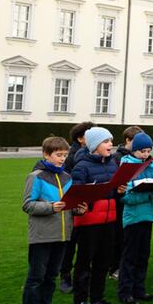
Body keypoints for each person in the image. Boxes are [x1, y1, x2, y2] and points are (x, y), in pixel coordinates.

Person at [21, 136, 87, 304]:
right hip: (42, 236)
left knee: (51, 277)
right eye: (58, 155)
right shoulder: (36, 177)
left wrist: (78, 209)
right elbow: (27, 205)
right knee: (36, 277)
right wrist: (50, 207)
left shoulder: (67, 177)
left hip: (63, 235)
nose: (62, 159)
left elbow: (69, 204)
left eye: (65, 155)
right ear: (46, 154)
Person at [70, 127, 126, 304]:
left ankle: (97, 298)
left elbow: (113, 192)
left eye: (111, 141)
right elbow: (77, 195)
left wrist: (119, 191)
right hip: (88, 223)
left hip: (109, 220)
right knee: (84, 263)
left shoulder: (113, 164)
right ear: (94, 145)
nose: (110, 144)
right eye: (106, 141)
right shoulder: (81, 166)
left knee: (103, 262)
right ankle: (79, 302)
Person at [117, 132, 153, 304]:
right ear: (134, 150)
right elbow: (125, 196)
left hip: (148, 216)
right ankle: (125, 291)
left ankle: (139, 289)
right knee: (130, 256)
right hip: (133, 217)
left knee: (143, 255)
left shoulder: (151, 164)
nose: (145, 154)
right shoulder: (126, 165)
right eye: (141, 151)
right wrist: (148, 195)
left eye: (148, 150)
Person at [59, 120, 95, 294]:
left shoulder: (88, 153)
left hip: (85, 203)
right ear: (81, 138)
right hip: (72, 204)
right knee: (70, 242)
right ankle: (65, 274)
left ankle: (81, 274)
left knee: (84, 241)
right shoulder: (73, 156)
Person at [110, 126, 143, 281]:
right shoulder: (117, 157)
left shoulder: (139, 157)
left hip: (134, 200)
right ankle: (115, 266)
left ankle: (127, 265)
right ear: (128, 140)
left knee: (129, 238)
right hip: (119, 201)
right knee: (118, 237)